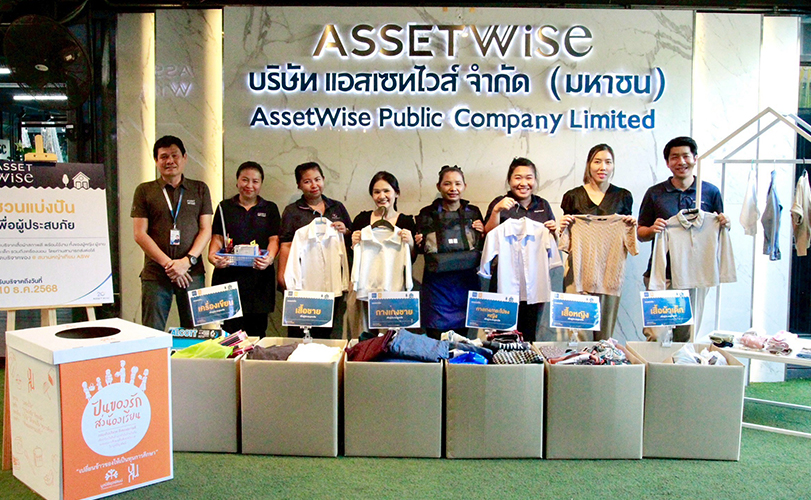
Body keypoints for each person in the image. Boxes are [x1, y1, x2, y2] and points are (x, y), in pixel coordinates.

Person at [637, 136, 730, 342]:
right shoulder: (655, 194)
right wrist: (652, 230)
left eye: (686, 156)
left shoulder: (710, 192)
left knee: (686, 338)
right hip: (662, 275)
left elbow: (718, 229)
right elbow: (640, 233)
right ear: (667, 163)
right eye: (674, 157)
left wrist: (724, 223)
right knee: (656, 335)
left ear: (695, 158)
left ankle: (680, 364)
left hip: (695, 277)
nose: (681, 162)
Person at [131, 135, 213, 331]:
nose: (170, 161)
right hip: (156, 274)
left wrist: (187, 262)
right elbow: (140, 234)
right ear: (156, 160)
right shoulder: (144, 190)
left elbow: (206, 229)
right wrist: (170, 265)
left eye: (174, 155)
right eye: (164, 156)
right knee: (152, 332)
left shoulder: (199, 189)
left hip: (192, 273)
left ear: (184, 157)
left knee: (194, 333)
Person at [559, 144, 635, 341]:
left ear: (613, 165)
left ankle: (603, 360)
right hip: (577, 270)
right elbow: (565, 241)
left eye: (608, 162)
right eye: (597, 161)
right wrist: (563, 226)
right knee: (577, 331)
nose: (603, 167)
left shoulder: (623, 197)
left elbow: (630, 241)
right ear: (588, 165)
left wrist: (630, 226)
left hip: (610, 270)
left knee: (604, 334)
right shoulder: (572, 196)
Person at [484, 157, 557, 342]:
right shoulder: (500, 203)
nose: (523, 183)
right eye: (518, 178)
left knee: (530, 333)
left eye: (529, 178)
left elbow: (553, 242)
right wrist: (496, 211)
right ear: (509, 180)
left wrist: (554, 231)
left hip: (534, 281)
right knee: (502, 334)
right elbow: (488, 236)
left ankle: (527, 361)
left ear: (535, 180)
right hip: (503, 279)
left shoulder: (542, 205)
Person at [278, 161, 352, 338]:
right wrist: (283, 276)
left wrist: (346, 231)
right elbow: (286, 245)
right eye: (307, 181)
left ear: (323, 179)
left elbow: (349, 238)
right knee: (300, 328)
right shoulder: (292, 211)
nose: (314, 185)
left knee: (326, 330)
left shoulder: (337, 207)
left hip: (330, 282)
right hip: (304, 281)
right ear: (299, 185)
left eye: (317, 179)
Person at [208, 161, 280, 337]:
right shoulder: (224, 207)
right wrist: (212, 257)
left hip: (259, 279)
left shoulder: (270, 208)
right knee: (229, 333)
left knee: (257, 331)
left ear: (261, 184)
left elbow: (274, 239)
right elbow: (217, 237)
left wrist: (269, 258)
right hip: (229, 277)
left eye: (255, 181)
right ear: (237, 182)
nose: (249, 185)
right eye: (245, 180)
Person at [415, 165, 484, 339]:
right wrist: (417, 242)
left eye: (458, 184)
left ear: (464, 186)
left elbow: (483, 246)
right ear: (438, 186)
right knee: (435, 341)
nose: (453, 188)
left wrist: (483, 231)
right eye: (447, 184)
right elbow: (421, 250)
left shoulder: (473, 212)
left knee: (461, 344)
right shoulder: (427, 213)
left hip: (465, 284)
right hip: (437, 288)